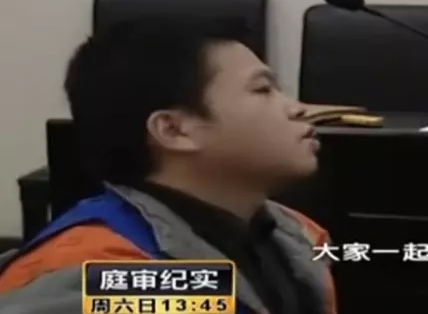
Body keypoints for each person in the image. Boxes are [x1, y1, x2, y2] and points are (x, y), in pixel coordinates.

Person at [0, 18, 336, 314]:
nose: (299, 109)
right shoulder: (98, 273)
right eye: (263, 89)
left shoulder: (296, 234)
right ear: (174, 130)